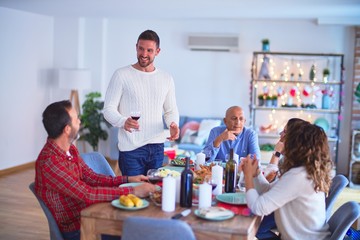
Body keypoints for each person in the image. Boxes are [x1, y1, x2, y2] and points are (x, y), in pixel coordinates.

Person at [35, 100, 156, 240]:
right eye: (76, 119)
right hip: (79, 228)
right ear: (67, 129)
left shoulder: (70, 149)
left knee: (139, 227)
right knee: (136, 232)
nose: (79, 121)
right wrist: (133, 191)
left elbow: (92, 178)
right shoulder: (50, 163)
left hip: (93, 213)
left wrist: (128, 179)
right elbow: (88, 194)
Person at [103, 29, 179, 176]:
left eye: (149, 50)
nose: (144, 54)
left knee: (154, 192)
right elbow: (108, 109)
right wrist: (122, 121)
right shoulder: (121, 75)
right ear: (136, 47)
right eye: (141, 48)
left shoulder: (166, 78)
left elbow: (170, 110)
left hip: (157, 147)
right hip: (131, 149)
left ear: (158, 51)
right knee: (133, 194)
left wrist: (173, 124)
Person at [243, 118, 333, 239]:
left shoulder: (298, 176)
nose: (281, 135)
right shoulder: (303, 171)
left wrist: (247, 176)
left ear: (296, 142)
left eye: (285, 133)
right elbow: (268, 190)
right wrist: (256, 174)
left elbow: (258, 208)